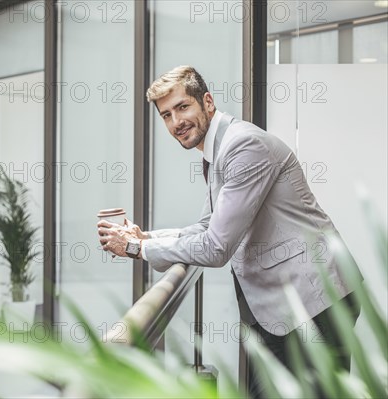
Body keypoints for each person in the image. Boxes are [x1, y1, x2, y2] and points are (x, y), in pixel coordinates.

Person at [97, 65, 362, 398]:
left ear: (207, 102)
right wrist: (147, 238)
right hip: (280, 309)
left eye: (182, 107)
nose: (176, 122)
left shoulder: (242, 146)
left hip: (314, 304)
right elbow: (209, 225)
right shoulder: (217, 150)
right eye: (166, 115)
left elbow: (216, 247)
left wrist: (136, 250)